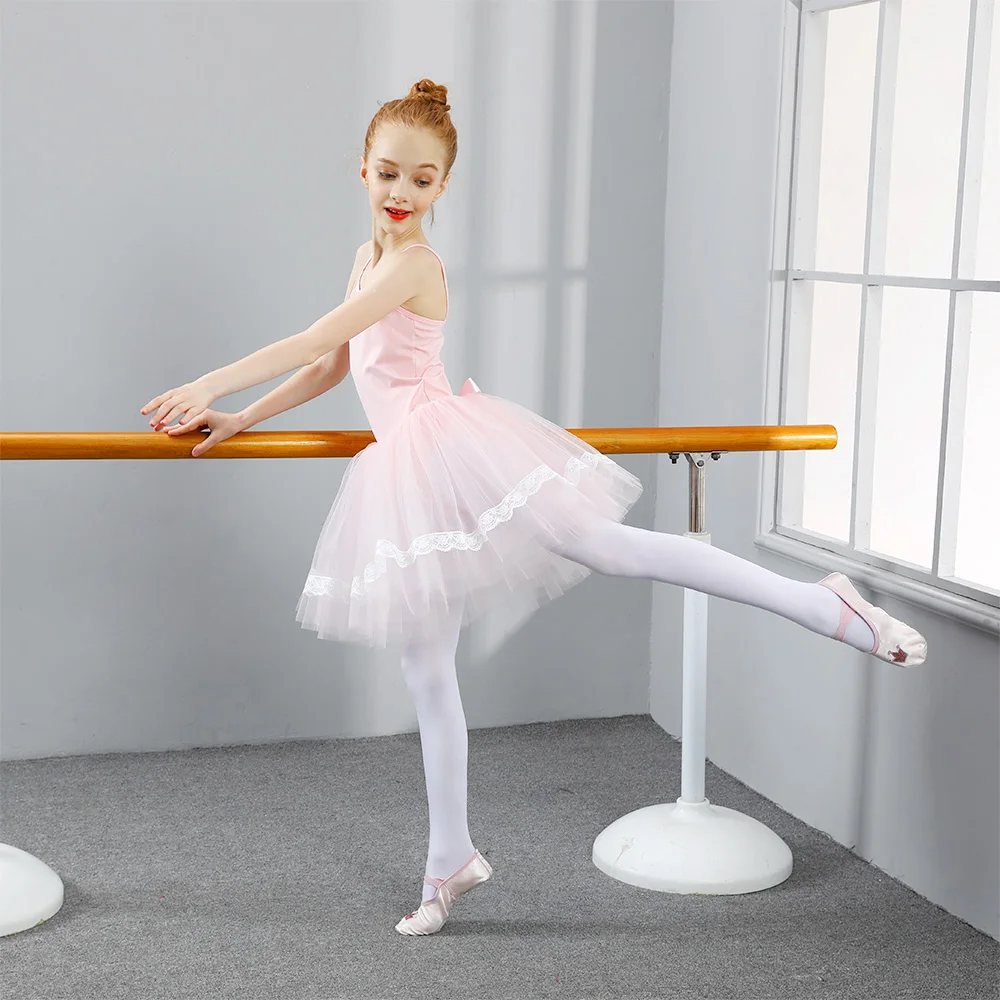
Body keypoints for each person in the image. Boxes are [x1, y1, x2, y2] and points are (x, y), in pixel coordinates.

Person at [140, 78, 928, 936]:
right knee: (426, 668)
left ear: (444, 187)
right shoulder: (366, 258)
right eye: (390, 174)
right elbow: (334, 366)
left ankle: (828, 604)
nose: (402, 194)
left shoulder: (412, 265)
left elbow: (314, 339)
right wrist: (242, 415)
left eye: (424, 180)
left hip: (453, 452)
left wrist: (210, 377)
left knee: (616, 549)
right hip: (409, 472)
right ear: (361, 171)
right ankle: (451, 860)